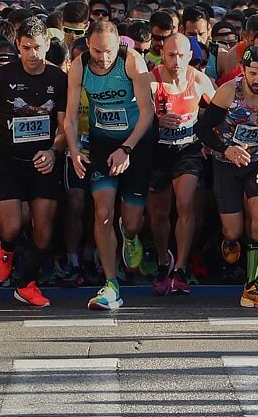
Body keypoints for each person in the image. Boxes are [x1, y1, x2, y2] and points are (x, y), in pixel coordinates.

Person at [67, 20, 156, 311]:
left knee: (131, 220)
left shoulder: (131, 61)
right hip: (103, 142)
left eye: (108, 51)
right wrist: (74, 149)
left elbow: (147, 112)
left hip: (136, 142)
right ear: (87, 46)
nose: (103, 58)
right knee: (102, 212)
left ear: (118, 44)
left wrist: (127, 148)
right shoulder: (80, 65)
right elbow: (69, 117)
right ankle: (111, 283)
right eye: (96, 51)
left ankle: (130, 236)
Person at [0, 17, 66, 308]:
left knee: (44, 228)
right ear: (18, 46)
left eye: (38, 48)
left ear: (47, 45)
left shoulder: (58, 79)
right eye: (27, 47)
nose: (33, 54)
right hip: (6, 160)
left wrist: (54, 151)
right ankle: (5, 249)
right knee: (12, 228)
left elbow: (66, 127)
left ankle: (26, 284)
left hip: (43, 161)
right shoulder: (1, 77)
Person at [199, 46, 258, 309]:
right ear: (243, 71)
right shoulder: (229, 91)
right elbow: (203, 129)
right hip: (227, 162)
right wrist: (226, 148)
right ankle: (228, 241)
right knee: (234, 230)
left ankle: (255, 282)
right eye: (253, 73)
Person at [147, 31, 214, 297]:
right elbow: (137, 115)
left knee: (186, 204)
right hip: (157, 153)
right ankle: (165, 261)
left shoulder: (198, 80)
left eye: (181, 55)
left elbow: (220, 108)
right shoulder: (151, 82)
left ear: (190, 57)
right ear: (162, 55)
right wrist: (157, 122)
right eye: (171, 55)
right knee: (159, 215)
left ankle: (181, 269)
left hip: (187, 150)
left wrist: (210, 136)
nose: (176, 61)